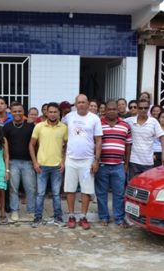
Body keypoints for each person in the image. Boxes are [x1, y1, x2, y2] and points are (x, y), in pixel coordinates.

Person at [63, 94, 103, 230]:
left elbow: (98, 141)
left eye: (83, 102)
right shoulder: (69, 117)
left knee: (86, 191)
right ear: (75, 104)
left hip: (87, 160)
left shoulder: (94, 118)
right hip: (71, 159)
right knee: (70, 189)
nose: (81, 104)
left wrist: (96, 160)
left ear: (88, 104)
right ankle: (71, 216)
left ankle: (83, 217)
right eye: (78, 102)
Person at [29, 102, 68, 227]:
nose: (52, 114)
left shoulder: (63, 128)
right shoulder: (39, 126)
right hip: (41, 166)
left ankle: (58, 218)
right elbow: (31, 145)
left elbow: (67, 146)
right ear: (46, 113)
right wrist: (35, 162)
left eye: (55, 112)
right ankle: (37, 218)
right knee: (40, 194)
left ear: (59, 113)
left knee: (56, 194)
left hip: (57, 166)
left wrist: (64, 161)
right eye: (50, 112)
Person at [95, 100, 132, 228]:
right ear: (105, 110)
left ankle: (119, 218)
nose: (111, 111)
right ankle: (104, 217)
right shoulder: (98, 123)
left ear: (118, 110)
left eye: (114, 109)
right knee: (101, 193)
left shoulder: (125, 125)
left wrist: (126, 163)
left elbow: (128, 145)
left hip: (118, 165)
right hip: (102, 165)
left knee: (119, 193)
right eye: (109, 109)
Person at [3, 101, 36, 221]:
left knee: (30, 188)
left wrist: (35, 160)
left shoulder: (31, 126)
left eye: (19, 111)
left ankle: (31, 210)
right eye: (15, 111)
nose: (17, 113)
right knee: (13, 188)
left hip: (28, 162)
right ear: (11, 113)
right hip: (12, 162)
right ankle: (14, 211)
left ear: (24, 112)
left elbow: (35, 144)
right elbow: (4, 147)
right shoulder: (7, 127)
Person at [126, 99, 164, 179]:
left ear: (148, 109)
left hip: (148, 162)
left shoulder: (153, 122)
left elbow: (162, 138)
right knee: (133, 187)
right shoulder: (129, 121)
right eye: (140, 108)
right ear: (137, 108)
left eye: (145, 108)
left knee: (147, 187)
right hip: (133, 161)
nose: (143, 110)